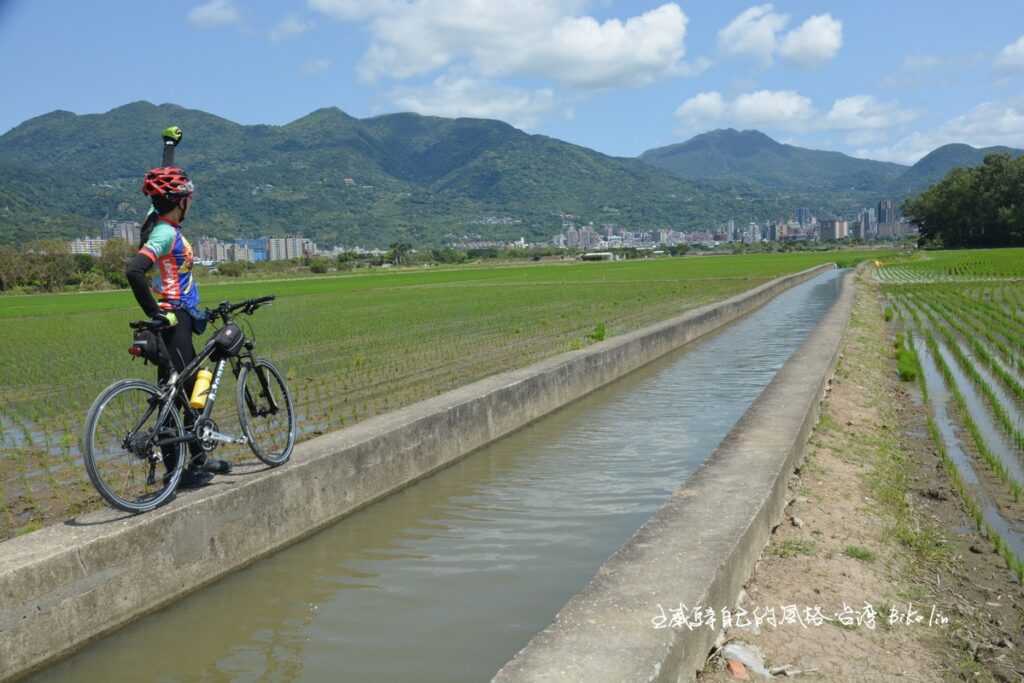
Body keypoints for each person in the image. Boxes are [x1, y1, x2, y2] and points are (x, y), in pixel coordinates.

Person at [125, 152, 232, 487]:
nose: (190, 201)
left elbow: (160, 190)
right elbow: (134, 269)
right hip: (175, 319)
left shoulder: (162, 224)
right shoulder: (164, 234)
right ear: (179, 201)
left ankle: (186, 465)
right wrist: (155, 313)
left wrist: (169, 147)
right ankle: (189, 467)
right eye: (186, 197)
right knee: (190, 386)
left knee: (175, 392)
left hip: (179, 317)